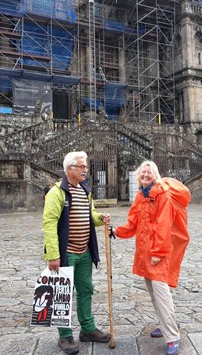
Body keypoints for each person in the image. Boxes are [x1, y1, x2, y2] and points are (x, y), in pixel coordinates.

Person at [110, 160, 190, 355]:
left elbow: (164, 225)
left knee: (161, 294)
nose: (145, 175)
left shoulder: (162, 194)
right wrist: (116, 231)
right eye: (143, 172)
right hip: (146, 254)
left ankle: (172, 337)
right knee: (154, 294)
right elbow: (133, 223)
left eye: (149, 173)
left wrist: (158, 253)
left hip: (158, 254)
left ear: (155, 175)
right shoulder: (142, 195)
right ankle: (164, 325)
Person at [43, 151, 111, 355]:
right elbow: (49, 224)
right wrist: (53, 255)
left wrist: (101, 218)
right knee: (62, 294)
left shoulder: (84, 189)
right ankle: (64, 335)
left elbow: (88, 215)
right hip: (67, 253)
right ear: (69, 169)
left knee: (86, 290)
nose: (85, 170)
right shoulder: (57, 193)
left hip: (84, 251)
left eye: (86, 166)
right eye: (82, 166)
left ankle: (88, 329)